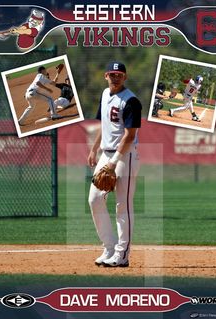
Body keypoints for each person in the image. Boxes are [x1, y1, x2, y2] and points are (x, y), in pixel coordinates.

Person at [88, 61, 142, 267]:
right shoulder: (104, 94)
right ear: (106, 76)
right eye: (112, 74)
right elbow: (104, 125)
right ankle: (109, 248)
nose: (116, 77)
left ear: (125, 77)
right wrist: (94, 149)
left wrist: (113, 162)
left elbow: (130, 135)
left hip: (125, 156)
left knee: (123, 205)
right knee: (94, 199)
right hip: (106, 154)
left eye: (120, 74)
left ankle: (122, 254)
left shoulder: (131, 101)